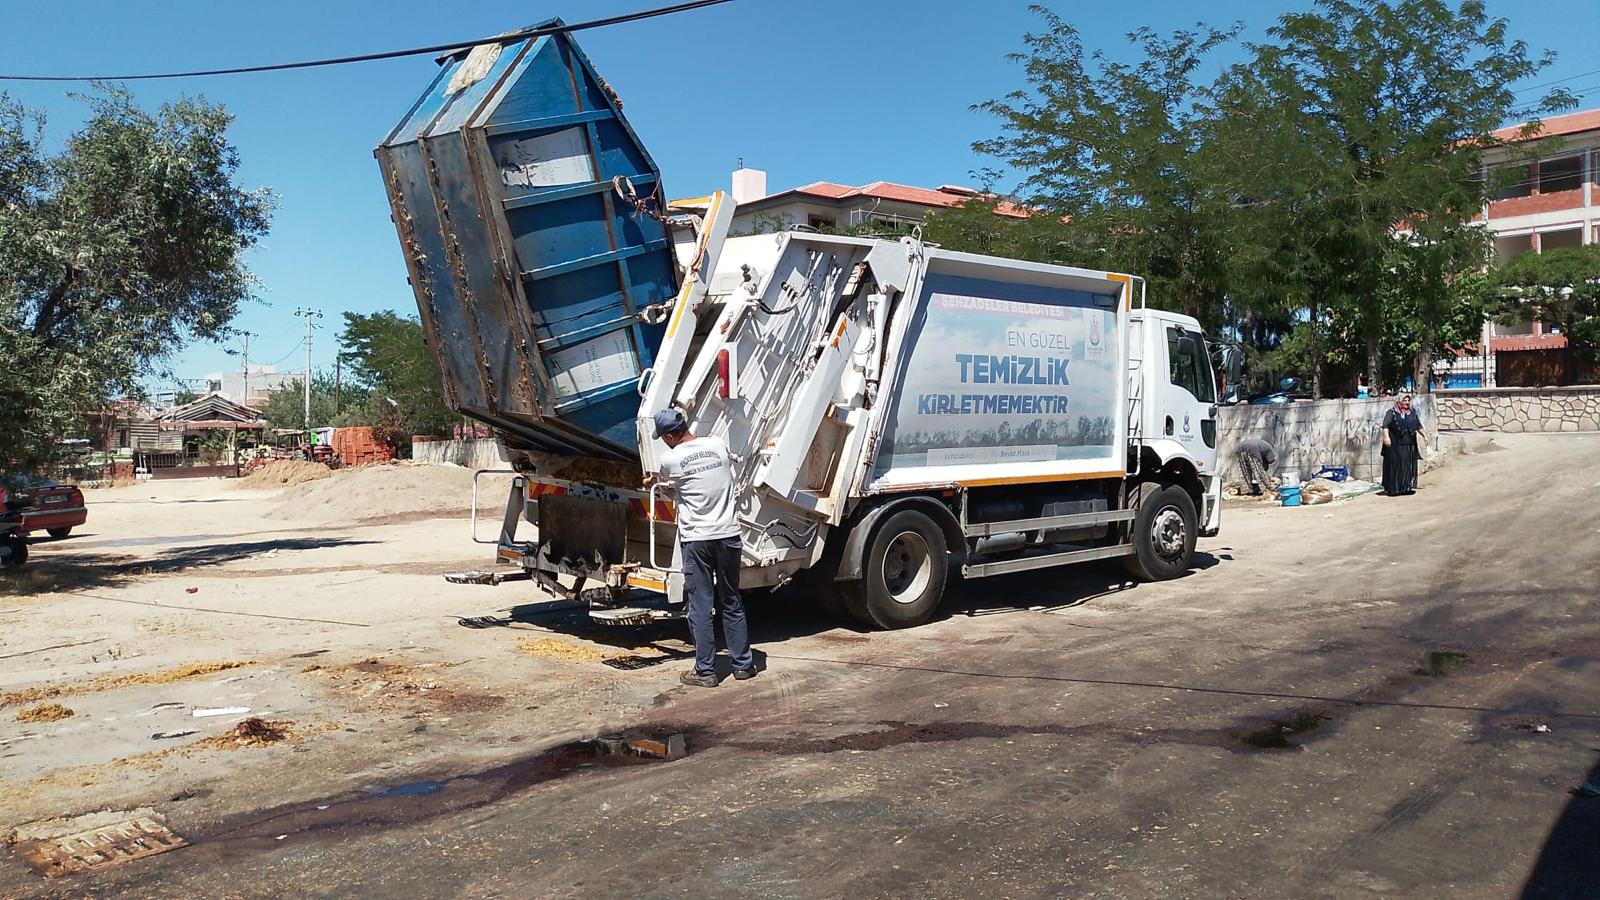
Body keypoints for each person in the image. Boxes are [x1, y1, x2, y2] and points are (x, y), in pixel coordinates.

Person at [651, 408, 756, 688]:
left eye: (663, 437)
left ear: (672, 435)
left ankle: (705, 671)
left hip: (698, 540)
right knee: (731, 600)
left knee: (700, 606)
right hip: (728, 536)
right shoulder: (717, 444)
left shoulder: (671, 459)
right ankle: (743, 665)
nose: (663, 442)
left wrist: (653, 482)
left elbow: (666, 485)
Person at [1380, 394, 1427, 496]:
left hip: (1409, 444)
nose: (1406, 402)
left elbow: (1418, 426)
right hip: (1395, 445)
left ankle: (1406, 487)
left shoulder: (1412, 413)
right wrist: (1386, 437)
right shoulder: (1391, 413)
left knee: (1407, 465)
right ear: (1399, 401)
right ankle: (1394, 488)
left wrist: (1425, 436)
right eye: (1404, 400)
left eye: (1408, 401)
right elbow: (1385, 426)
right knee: (1396, 465)